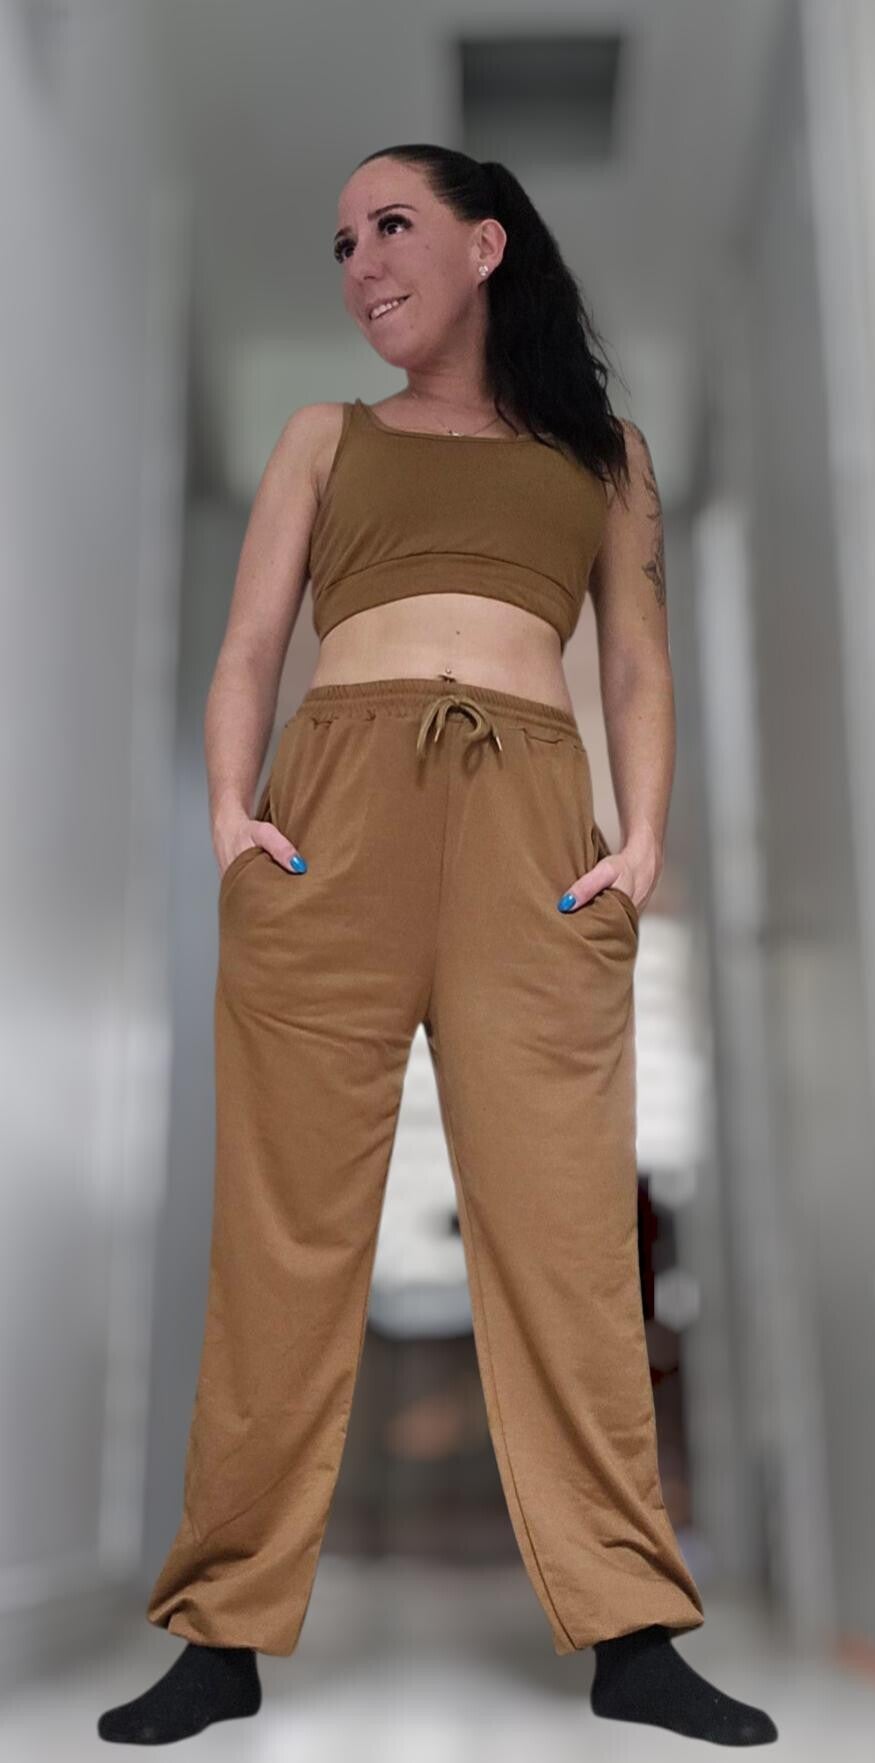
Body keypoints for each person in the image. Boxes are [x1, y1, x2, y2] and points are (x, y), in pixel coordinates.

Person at [98, 146, 778, 1747]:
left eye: (390, 226)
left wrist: (641, 841)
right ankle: (219, 1634)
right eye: (342, 242)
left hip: (531, 829)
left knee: (564, 1232)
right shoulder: (320, 436)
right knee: (282, 1237)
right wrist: (229, 817)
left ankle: (631, 1630)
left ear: (485, 245)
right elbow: (250, 646)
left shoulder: (603, 455)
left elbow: (638, 668)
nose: (361, 265)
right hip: (330, 823)